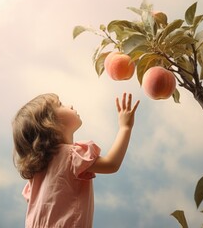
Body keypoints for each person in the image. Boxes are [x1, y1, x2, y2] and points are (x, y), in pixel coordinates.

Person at [12, 92, 139, 228]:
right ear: (49, 123)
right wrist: (125, 127)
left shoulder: (37, 174)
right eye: (60, 104)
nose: (70, 105)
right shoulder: (71, 156)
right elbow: (111, 164)